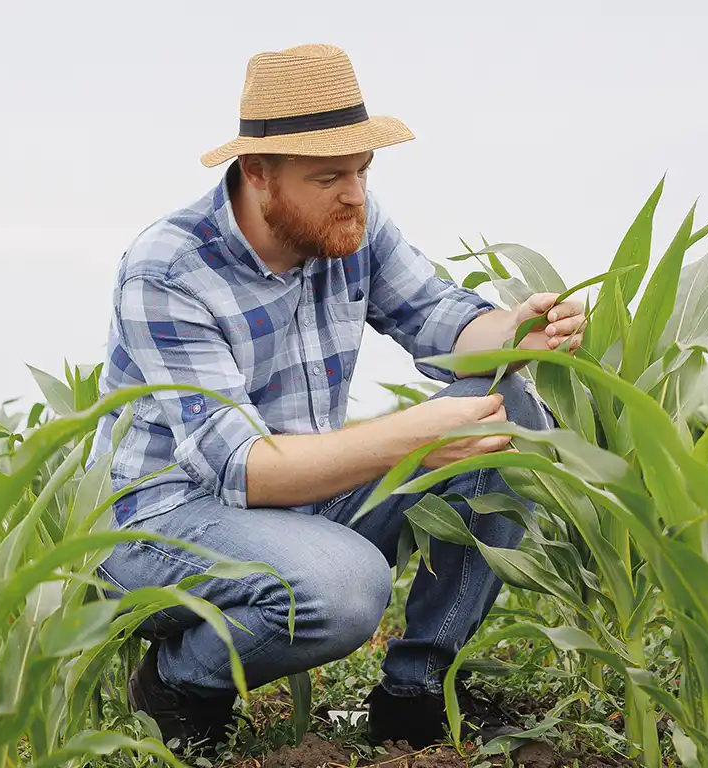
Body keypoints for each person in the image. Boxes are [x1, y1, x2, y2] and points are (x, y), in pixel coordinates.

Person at [89, 43, 586, 752]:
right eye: (329, 176)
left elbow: (440, 319)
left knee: (507, 411)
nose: (354, 192)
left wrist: (518, 331)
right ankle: (177, 687)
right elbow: (249, 469)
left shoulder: (349, 221)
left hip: (305, 497)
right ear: (259, 174)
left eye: (362, 170)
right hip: (168, 521)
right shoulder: (167, 270)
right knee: (345, 590)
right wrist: (419, 434)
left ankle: (416, 694)